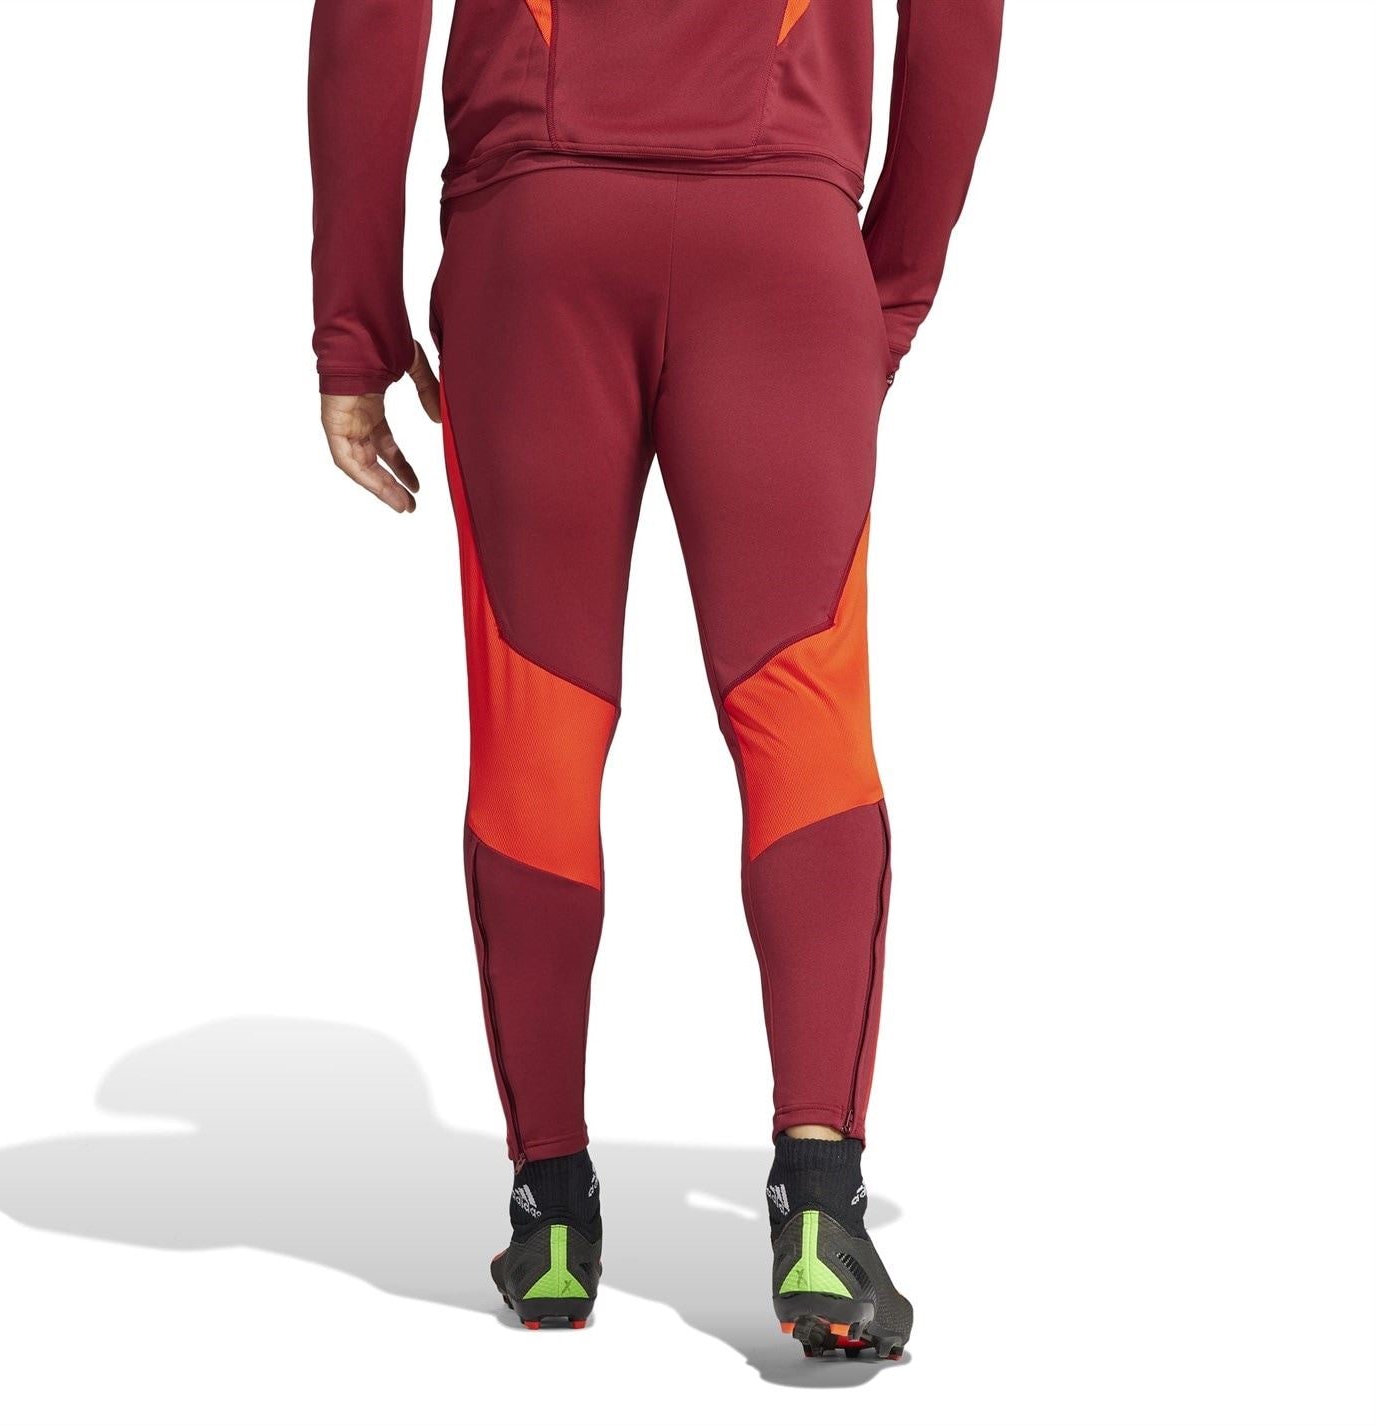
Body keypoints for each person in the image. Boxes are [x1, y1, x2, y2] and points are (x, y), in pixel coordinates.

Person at [309, 0, 1002, 1358]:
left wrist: (356, 328)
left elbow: (371, 15)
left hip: (533, 239)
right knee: (802, 713)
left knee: (539, 721)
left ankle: (551, 1215)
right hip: (780, 236)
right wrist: (886, 287)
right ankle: (819, 1209)